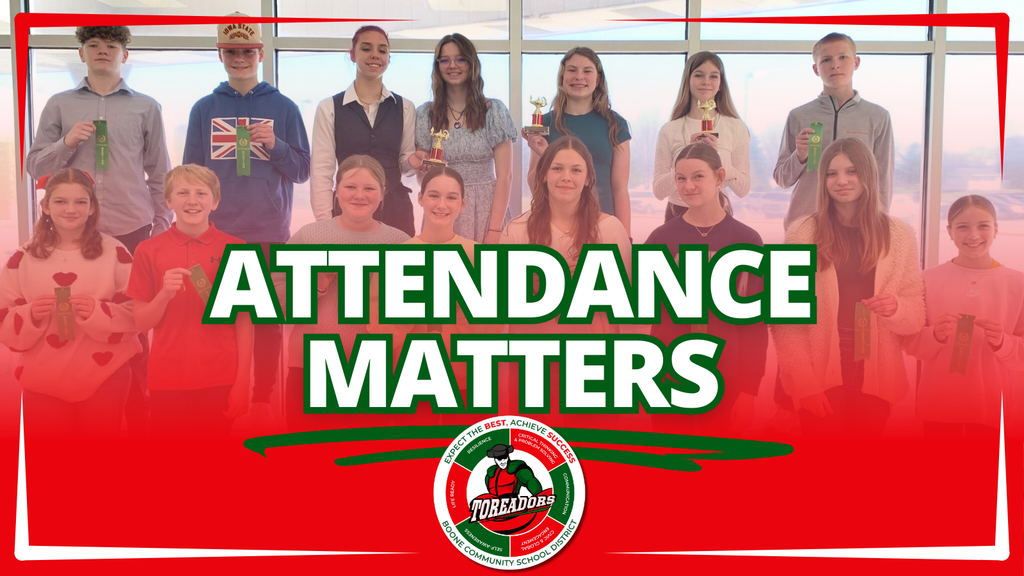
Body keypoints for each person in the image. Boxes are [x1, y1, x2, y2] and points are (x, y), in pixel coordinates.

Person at [25, 25, 172, 434]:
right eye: (93, 45)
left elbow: (160, 171)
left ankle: (137, 417)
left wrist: (161, 226)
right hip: (72, 231)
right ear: (82, 53)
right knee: (75, 318)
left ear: (125, 54)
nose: (102, 51)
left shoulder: (146, 107)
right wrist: (67, 142)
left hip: (131, 227)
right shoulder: (59, 104)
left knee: (131, 324)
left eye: (111, 45)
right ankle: (76, 406)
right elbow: (35, 166)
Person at [183, 13, 311, 431]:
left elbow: (302, 170)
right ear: (220, 55)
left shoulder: (283, 107)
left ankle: (261, 399)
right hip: (216, 234)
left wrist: (276, 145)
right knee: (217, 321)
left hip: (267, 233)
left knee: (266, 323)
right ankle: (220, 395)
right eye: (231, 52)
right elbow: (190, 173)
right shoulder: (204, 108)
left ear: (260, 54)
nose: (240, 58)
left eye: (247, 51)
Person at [771, 138, 924, 437]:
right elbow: (783, 321)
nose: (841, 181)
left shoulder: (900, 234)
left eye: (851, 171)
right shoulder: (801, 232)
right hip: (820, 361)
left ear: (868, 174)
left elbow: (916, 314)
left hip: (876, 364)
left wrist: (897, 308)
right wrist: (804, 383)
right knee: (822, 456)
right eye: (832, 173)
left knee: (864, 459)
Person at [500, 136, 633, 423]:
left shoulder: (610, 230)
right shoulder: (517, 230)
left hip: (594, 363)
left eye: (576, 170)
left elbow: (626, 304)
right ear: (543, 174)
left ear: (588, 179)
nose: (566, 177)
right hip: (534, 365)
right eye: (557, 168)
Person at [0, 168, 140, 437]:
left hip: (105, 375)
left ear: (92, 207)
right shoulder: (23, 258)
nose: (71, 209)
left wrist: (99, 313)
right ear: (46, 206)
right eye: (61, 201)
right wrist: (30, 315)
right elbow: (4, 318)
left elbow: (138, 313)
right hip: (43, 379)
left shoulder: (115, 252)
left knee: (98, 456)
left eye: (80, 201)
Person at [276, 155, 410, 432]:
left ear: (383, 193)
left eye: (369, 188)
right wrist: (316, 282)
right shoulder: (308, 237)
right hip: (310, 370)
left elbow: (413, 317)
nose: (359, 195)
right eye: (350, 187)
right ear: (336, 191)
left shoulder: (401, 244)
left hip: (375, 373)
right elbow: (274, 304)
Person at [645, 143, 766, 434]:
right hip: (670, 373)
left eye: (698, 176)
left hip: (728, 372)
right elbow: (647, 314)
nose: (688, 186)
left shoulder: (747, 240)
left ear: (719, 176)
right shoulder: (660, 239)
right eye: (681, 178)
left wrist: (749, 392)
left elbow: (754, 325)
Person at [128, 165, 252, 437]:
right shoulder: (148, 250)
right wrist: (163, 295)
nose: (192, 200)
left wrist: (243, 381)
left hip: (221, 378)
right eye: (182, 193)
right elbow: (141, 323)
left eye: (201, 193)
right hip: (167, 379)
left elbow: (244, 322)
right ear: (168, 201)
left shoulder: (237, 248)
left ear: (215, 202)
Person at [904, 195, 1024, 438]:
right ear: (949, 231)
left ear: (996, 229)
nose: (973, 235)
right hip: (939, 402)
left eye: (983, 225)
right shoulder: (927, 280)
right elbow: (910, 343)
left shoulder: (1017, 284)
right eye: (962, 227)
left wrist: (1003, 342)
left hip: (992, 403)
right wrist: (935, 335)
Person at [773, 32, 894, 230]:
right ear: (816, 69)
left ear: (856, 62)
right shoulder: (798, 116)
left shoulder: (878, 117)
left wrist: (878, 225)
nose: (835, 65)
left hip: (857, 227)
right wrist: (800, 156)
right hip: (804, 224)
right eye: (826, 59)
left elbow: (883, 179)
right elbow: (782, 179)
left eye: (842, 57)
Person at [310, 25, 417, 236]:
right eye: (366, 48)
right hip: (348, 211)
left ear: (388, 58)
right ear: (352, 54)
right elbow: (321, 171)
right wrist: (324, 224)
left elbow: (406, 167)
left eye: (382, 50)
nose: (375, 55)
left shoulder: (405, 107)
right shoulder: (329, 108)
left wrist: (415, 161)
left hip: (396, 212)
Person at [412, 33, 516, 244]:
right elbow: (423, 180)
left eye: (460, 59)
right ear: (437, 66)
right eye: (445, 60)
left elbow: (505, 176)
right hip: (442, 209)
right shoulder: (424, 114)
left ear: (472, 63)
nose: (453, 66)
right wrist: (423, 170)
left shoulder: (494, 111)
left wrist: (494, 230)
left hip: (488, 210)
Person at [522, 48, 631, 236]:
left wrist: (626, 236)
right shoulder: (543, 124)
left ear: (598, 78)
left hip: (602, 226)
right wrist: (545, 155)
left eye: (587, 71)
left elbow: (620, 188)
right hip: (555, 227)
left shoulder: (615, 124)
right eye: (572, 70)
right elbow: (534, 185)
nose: (579, 77)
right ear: (562, 77)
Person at [653, 52, 751, 222]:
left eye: (713, 76)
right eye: (699, 75)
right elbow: (658, 191)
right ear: (688, 81)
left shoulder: (736, 127)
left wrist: (719, 157)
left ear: (720, 84)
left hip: (719, 214)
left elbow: (743, 189)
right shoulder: (669, 130)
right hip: (677, 216)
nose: (706, 82)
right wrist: (685, 161)